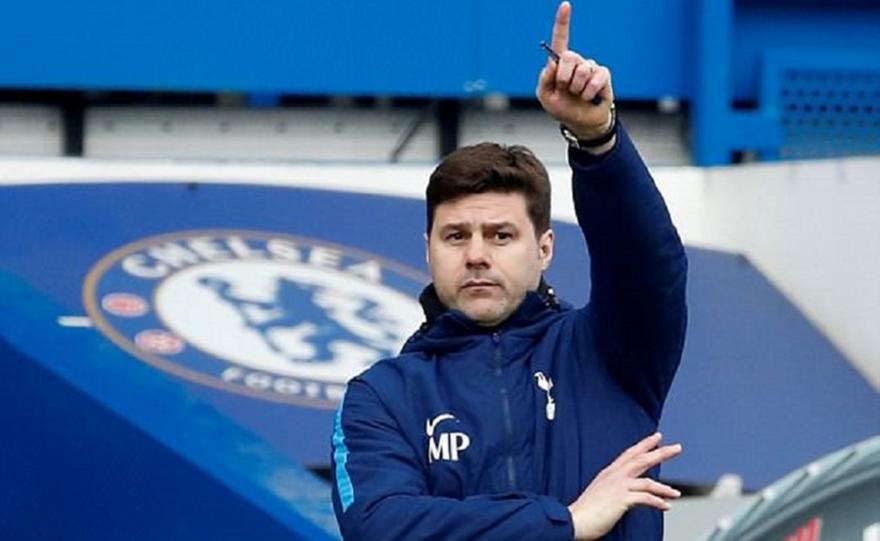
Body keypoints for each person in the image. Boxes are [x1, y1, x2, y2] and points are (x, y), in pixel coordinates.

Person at [330, 2, 688, 539]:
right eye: (456, 236)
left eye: (501, 235)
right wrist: (567, 521)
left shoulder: (610, 354)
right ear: (428, 250)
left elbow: (648, 263)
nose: (477, 254)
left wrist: (598, 140)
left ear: (544, 249)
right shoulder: (381, 398)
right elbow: (382, 528)